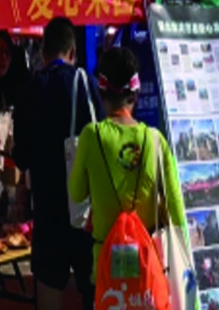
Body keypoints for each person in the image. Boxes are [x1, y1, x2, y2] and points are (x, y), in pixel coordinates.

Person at [68, 46, 186, 283]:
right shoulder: (156, 140)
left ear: (101, 93)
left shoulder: (91, 136)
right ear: (136, 93)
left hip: (106, 265)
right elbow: (176, 207)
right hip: (149, 265)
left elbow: (77, 193)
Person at [13, 18, 102, 310]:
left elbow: (22, 157)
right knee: (93, 293)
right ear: (73, 52)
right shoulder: (86, 84)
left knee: (50, 295)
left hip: (48, 218)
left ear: (43, 48)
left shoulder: (27, 93)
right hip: (85, 214)